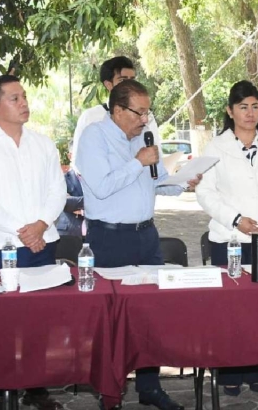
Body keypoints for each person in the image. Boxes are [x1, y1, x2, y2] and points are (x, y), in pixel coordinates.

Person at [77, 80, 200, 410]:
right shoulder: (94, 137)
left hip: (146, 236)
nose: (146, 119)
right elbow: (101, 187)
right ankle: (110, 392)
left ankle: (150, 387)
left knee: (150, 316)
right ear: (118, 110)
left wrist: (185, 179)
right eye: (140, 112)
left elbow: (157, 183)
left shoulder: (145, 141)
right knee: (111, 319)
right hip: (109, 237)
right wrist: (138, 162)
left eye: (148, 112)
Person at [196, 80, 258, 397]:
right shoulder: (216, 147)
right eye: (242, 107)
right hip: (229, 239)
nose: (249, 112)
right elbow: (205, 192)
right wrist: (237, 220)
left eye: (254, 106)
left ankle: (256, 371)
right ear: (230, 111)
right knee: (230, 309)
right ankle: (229, 373)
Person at [0, 75, 67, 410]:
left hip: (42, 244)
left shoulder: (43, 143)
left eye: (24, 96)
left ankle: (37, 387)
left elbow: (57, 190)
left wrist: (40, 226)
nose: (24, 104)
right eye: (14, 98)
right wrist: (23, 231)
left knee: (39, 320)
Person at [72, 56, 160, 171]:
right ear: (108, 85)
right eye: (123, 80)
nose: (129, 85)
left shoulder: (147, 116)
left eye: (132, 79)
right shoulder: (91, 118)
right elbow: (79, 163)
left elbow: (156, 154)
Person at [56, 140, 85, 237]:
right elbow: (64, 202)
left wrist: (81, 210)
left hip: (97, 233)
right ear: (70, 156)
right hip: (69, 234)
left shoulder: (98, 179)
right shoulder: (62, 179)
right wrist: (93, 203)